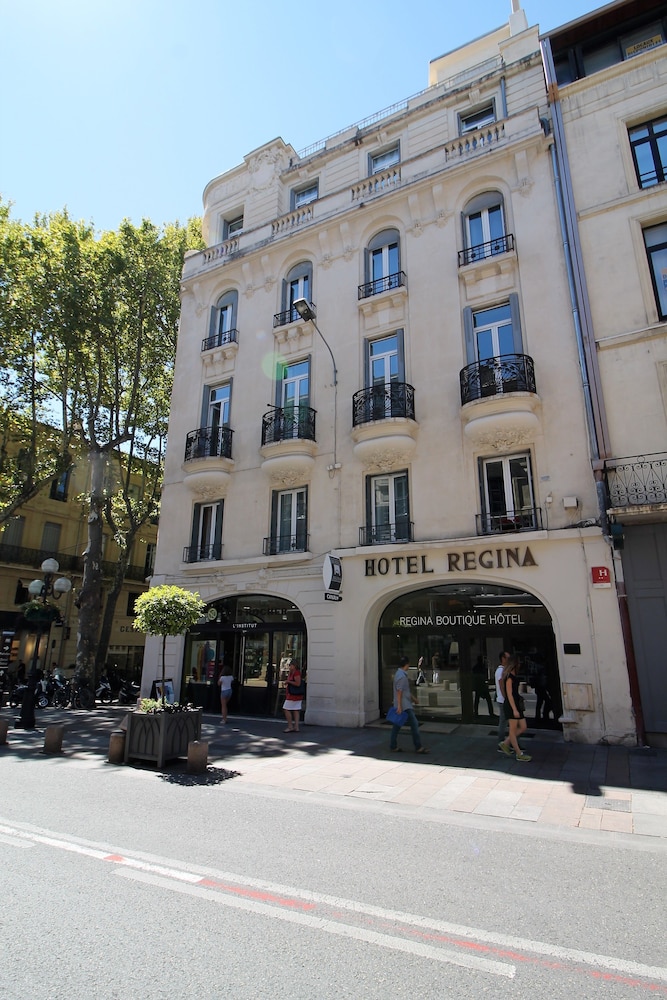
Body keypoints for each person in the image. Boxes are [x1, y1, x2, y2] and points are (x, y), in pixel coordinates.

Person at [390, 656, 429, 754]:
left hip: (403, 704)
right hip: (405, 705)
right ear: (406, 664)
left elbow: (403, 691)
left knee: (397, 726)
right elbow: (399, 691)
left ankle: (393, 745)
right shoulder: (402, 676)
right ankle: (418, 746)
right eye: (408, 664)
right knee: (414, 724)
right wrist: (399, 706)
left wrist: (413, 699)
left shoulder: (398, 674)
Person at [497, 656, 532, 761]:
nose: (519, 665)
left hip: (516, 704)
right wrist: (514, 709)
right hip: (512, 706)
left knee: (523, 727)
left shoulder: (513, 676)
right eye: (518, 663)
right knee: (512, 729)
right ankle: (519, 753)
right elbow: (509, 694)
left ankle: (505, 743)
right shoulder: (509, 677)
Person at [283, 659, 304, 733]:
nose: (289, 667)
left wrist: (289, 682)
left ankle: (290, 726)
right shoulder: (292, 673)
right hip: (295, 694)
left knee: (286, 708)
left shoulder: (296, 673)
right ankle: (296, 727)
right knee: (296, 709)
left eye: (290, 665)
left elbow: (298, 683)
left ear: (294, 666)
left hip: (293, 695)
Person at [494, 651, 510, 743]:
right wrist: (506, 698)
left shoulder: (504, 670)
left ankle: (508, 742)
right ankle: (501, 741)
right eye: (508, 658)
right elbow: (501, 685)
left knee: (507, 722)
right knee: (503, 722)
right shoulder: (500, 670)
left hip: (504, 700)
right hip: (503, 700)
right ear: (503, 659)